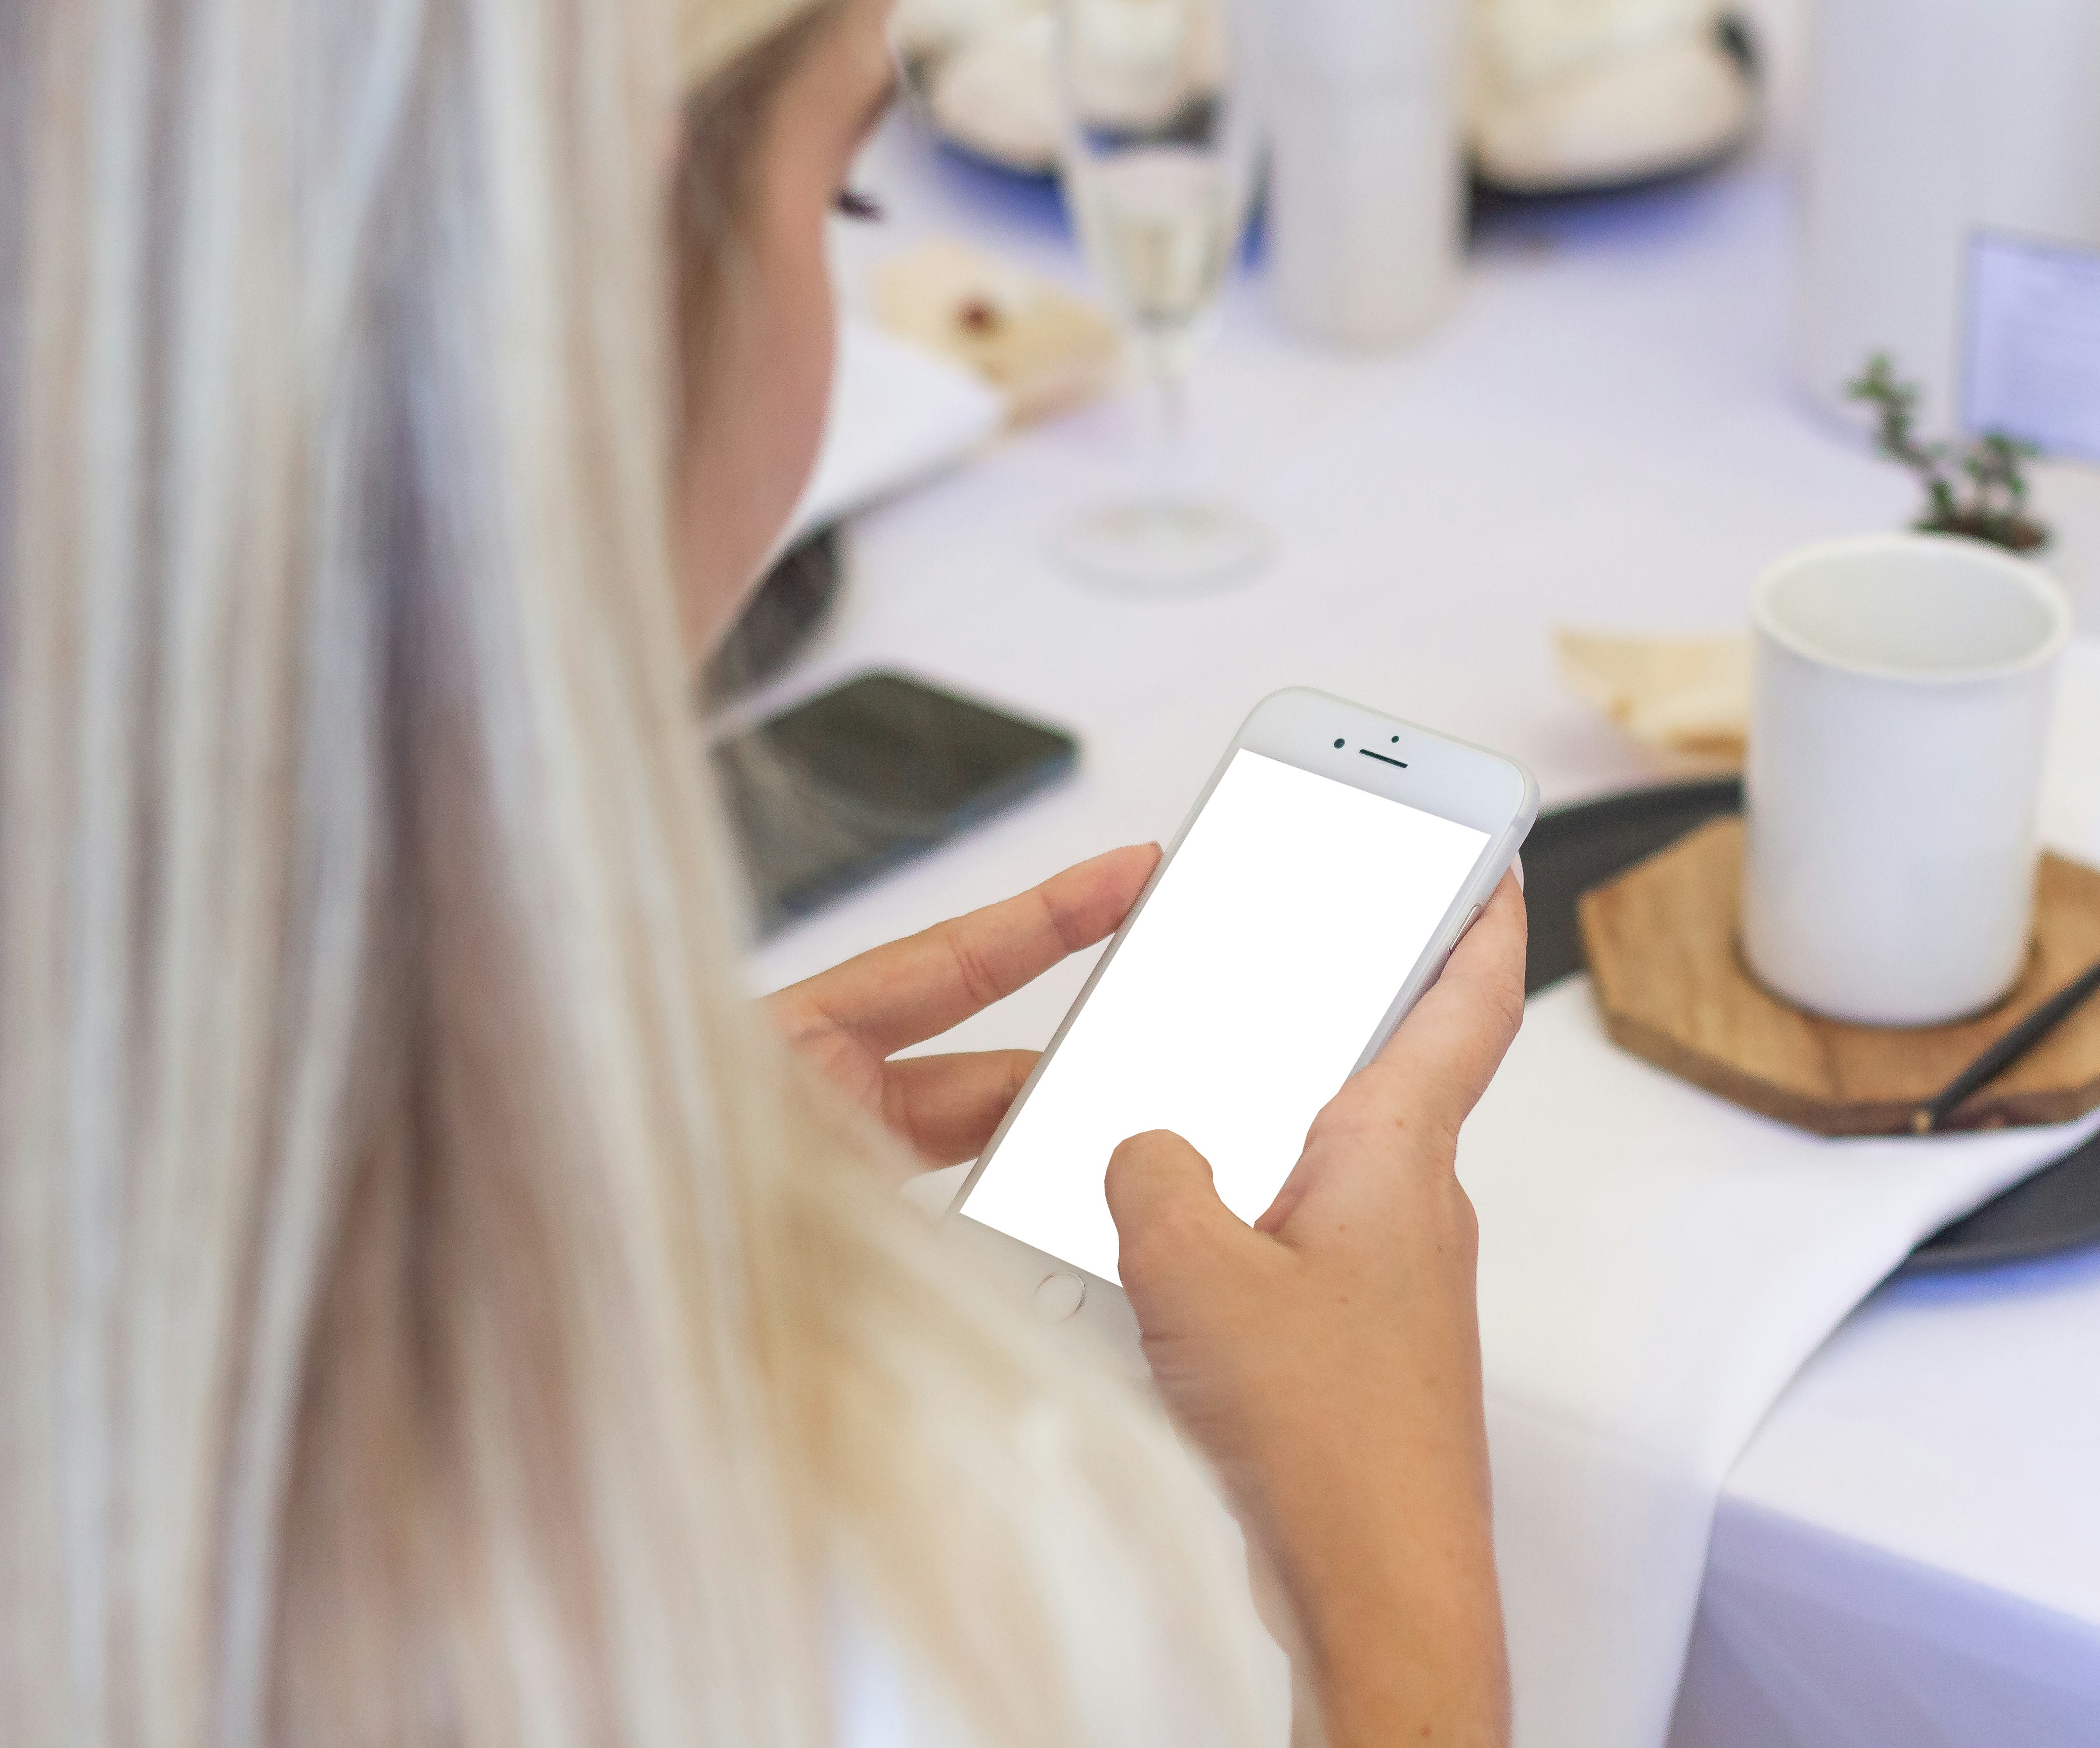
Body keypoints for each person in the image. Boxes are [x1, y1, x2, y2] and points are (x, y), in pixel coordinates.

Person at [0, 0, 1528, 1744]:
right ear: (588, 286)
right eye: (839, 203)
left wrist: (579, 1181)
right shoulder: (882, 1578)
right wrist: (1404, 1584)